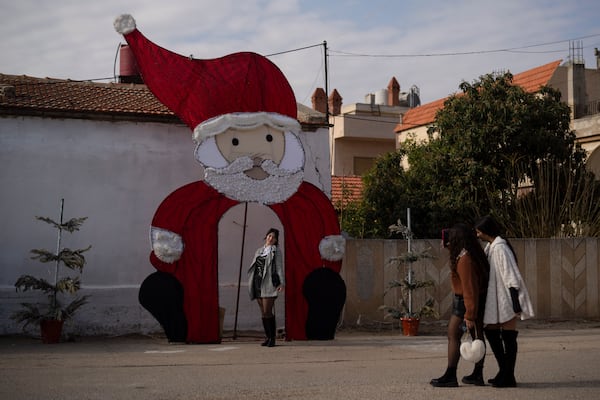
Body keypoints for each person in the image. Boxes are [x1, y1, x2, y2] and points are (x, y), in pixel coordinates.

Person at [475, 215, 534, 388]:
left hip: (507, 299)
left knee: (508, 338)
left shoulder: (500, 248)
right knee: (492, 331)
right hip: (497, 299)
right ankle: (504, 371)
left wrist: (515, 303)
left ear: (486, 231)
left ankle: (508, 376)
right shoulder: (492, 247)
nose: (477, 235)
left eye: (479, 232)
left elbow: (511, 275)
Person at [431, 223, 490, 387]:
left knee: (454, 335)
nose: (445, 242)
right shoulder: (464, 255)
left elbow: (470, 288)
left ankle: (451, 375)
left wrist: (470, 314)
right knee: (475, 337)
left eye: (449, 239)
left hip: (466, 302)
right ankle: (477, 374)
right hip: (467, 302)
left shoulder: (465, 259)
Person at [248, 228, 285, 347]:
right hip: (257, 283)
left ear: (276, 240)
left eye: (273, 237)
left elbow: (279, 267)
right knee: (263, 313)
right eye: (269, 236)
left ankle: (273, 339)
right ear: (266, 236)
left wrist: (281, 283)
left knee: (268, 311)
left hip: (269, 284)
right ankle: (268, 337)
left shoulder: (276, 251)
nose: (270, 238)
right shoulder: (259, 250)